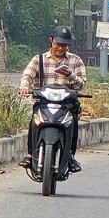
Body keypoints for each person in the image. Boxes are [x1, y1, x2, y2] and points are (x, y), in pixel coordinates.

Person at [18, 26, 87, 172]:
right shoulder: (39, 59)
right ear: (51, 41)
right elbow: (27, 75)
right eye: (58, 44)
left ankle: (69, 156)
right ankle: (30, 155)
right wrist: (24, 86)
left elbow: (81, 84)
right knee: (34, 122)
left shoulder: (76, 61)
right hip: (44, 103)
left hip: (66, 105)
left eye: (64, 45)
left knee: (73, 123)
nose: (61, 48)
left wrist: (70, 75)